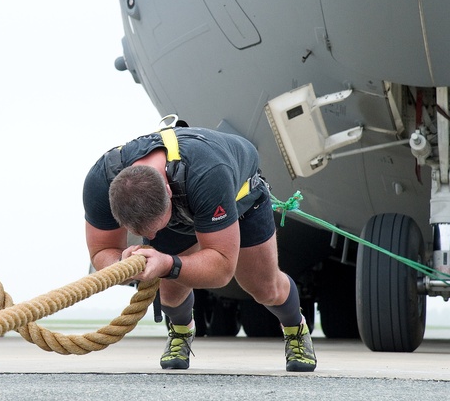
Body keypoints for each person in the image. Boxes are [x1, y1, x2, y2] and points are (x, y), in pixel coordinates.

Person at [82, 125, 316, 372]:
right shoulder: (100, 181)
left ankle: (295, 328)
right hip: (178, 210)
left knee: (264, 287)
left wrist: (169, 264)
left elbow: (222, 269)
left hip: (237, 198)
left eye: (152, 230)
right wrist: (122, 265)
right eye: (140, 234)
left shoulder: (209, 173)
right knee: (170, 292)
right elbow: (100, 252)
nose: (150, 238)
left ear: (168, 191)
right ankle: (181, 331)